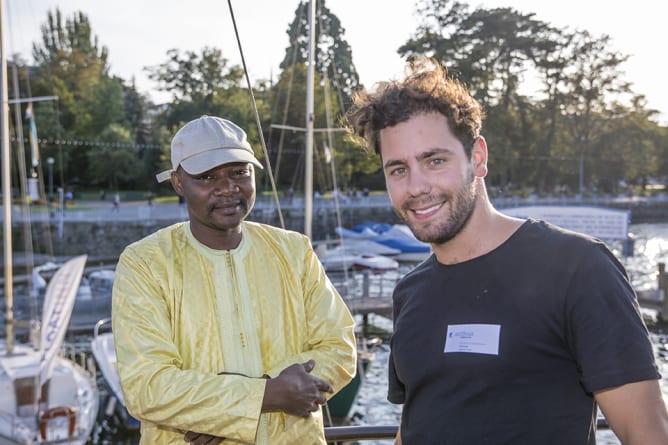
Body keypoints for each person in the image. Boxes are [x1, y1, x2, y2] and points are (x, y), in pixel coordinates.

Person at [343, 57, 668, 445]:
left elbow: (646, 434)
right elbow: (418, 421)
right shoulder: (410, 292)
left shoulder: (577, 267)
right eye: (398, 169)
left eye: (435, 160)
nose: (416, 186)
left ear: (477, 158)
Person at [112, 115, 357, 444]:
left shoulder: (293, 250)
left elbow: (339, 347)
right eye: (207, 176)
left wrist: (225, 408)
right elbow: (146, 385)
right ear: (178, 183)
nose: (227, 188)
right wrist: (264, 396)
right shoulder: (145, 263)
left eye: (239, 172)